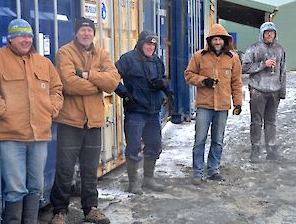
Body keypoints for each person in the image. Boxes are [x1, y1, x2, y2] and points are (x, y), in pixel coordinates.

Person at [49, 17, 120, 224]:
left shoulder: (102, 54)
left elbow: (113, 81)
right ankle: (59, 211)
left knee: (90, 170)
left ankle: (90, 208)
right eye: (83, 30)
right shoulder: (65, 52)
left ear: (94, 33)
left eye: (90, 30)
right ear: (76, 32)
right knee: (64, 169)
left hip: (94, 122)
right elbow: (69, 84)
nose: (86, 33)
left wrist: (87, 75)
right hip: (70, 122)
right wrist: (98, 83)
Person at [0, 18, 63, 223]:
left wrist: (52, 109)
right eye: (20, 36)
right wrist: (3, 111)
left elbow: (56, 89)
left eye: (29, 36)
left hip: (39, 134)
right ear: (10, 38)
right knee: (15, 189)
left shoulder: (44, 63)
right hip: (11, 135)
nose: (26, 40)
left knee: (36, 186)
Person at [115, 31, 174, 195]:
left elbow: (162, 80)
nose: (150, 47)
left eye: (153, 44)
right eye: (148, 44)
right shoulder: (128, 59)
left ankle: (148, 178)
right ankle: (133, 183)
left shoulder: (157, 61)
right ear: (141, 44)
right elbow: (111, 77)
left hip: (153, 112)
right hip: (135, 112)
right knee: (133, 146)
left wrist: (167, 93)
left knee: (154, 145)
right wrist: (124, 93)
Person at [184, 23, 243, 185]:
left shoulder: (233, 59)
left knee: (218, 140)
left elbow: (236, 82)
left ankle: (213, 170)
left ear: (225, 41)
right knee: (200, 139)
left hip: (222, 106)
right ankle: (197, 172)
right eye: (214, 39)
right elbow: (188, 75)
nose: (217, 42)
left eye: (220, 39)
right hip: (204, 105)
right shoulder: (199, 56)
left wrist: (237, 103)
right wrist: (204, 81)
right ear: (210, 41)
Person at [242, 22, 286, 162]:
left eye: (272, 32)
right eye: (267, 32)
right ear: (262, 34)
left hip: (274, 91)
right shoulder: (253, 49)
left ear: (275, 34)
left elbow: (283, 71)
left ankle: (271, 149)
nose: (269, 34)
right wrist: (263, 65)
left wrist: (282, 90)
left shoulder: (280, 49)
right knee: (256, 121)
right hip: (258, 90)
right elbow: (244, 68)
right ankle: (255, 149)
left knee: (271, 122)